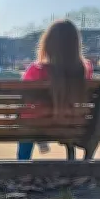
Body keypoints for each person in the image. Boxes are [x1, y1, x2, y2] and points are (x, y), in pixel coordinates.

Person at [17, 19, 93, 161]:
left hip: (38, 124)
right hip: (71, 123)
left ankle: (23, 161)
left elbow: (23, 98)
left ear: (47, 44)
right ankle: (73, 160)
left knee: (27, 120)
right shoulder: (85, 70)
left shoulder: (37, 70)